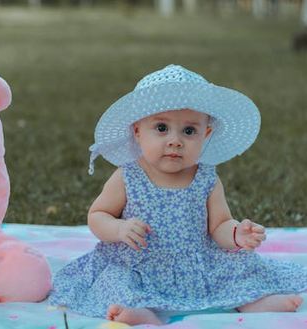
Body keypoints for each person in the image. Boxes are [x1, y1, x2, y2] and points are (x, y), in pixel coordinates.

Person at [48, 65, 307, 326]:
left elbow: (219, 225)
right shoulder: (128, 176)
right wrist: (118, 228)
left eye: (189, 131)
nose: (175, 141)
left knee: (240, 265)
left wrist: (237, 234)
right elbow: (97, 215)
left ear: (206, 134)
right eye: (161, 128)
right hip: (139, 264)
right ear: (137, 131)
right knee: (117, 282)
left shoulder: (206, 178)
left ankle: (253, 299)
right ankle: (139, 313)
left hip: (197, 263)